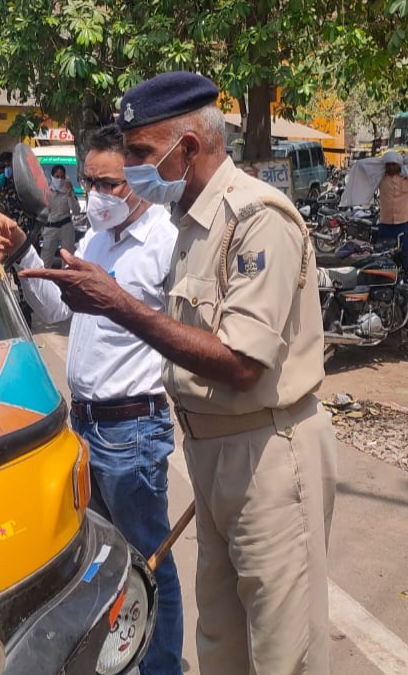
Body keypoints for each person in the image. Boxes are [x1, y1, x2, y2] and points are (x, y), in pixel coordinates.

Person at [20, 71, 337, 675]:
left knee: (282, 647)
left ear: (187, 148)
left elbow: (243, 362)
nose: (134, 168)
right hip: (210, 451)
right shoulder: (196, 226)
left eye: (140, 153)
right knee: (221, 637)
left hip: (267, 451)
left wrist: (118, 303)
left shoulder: (256, 218)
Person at [0, 125, 184, 675]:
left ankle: (161, 666)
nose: (96, 195)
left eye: (110, 184)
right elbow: (57, 311)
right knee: (101, 561)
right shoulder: (95, 241)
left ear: (140, 180)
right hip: (86, 426)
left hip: (132, 431)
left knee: (148, 563)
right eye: (89, 181)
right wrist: (24, 250)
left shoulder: (165, 243)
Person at [378, 150, 408, 283]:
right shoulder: (380, 178)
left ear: (399, 165)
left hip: (404, 225)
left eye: (394, 164)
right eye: (388, 164)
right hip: (386, 225)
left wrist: (407, 157)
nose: (391, 167)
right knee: (385, 261)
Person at [40, 163, 81, 268]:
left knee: (68, 261)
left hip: (65, 227)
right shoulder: (46, 191)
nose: (60, 179)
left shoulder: (69, 191)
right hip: (50, 228)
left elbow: (76, 211)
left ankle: (66, 283)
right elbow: (42, 211)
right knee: (44, 261)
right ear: (52, 177)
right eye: (57, 177)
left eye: (62, 177)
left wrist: (69, 194)